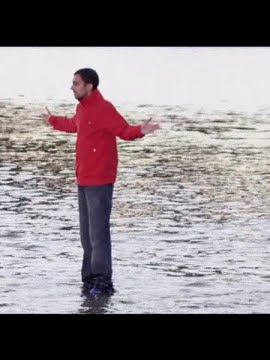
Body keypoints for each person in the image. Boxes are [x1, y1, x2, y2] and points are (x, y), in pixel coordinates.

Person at [41, 68, 160, 296]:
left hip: (100, 180)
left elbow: (124, 130)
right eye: (72, 82)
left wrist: (141, 130)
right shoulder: (82, 108)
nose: (72, 86)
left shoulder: (104, 108)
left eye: (76, 83)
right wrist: (52, 120)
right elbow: (73, 124)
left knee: (98, 234)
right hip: (83, 178)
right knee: (86, 235)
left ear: (89, 86)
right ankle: (89, 280)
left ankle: (103, 281)